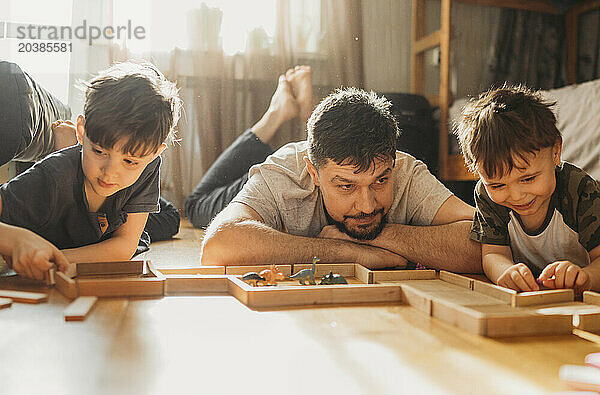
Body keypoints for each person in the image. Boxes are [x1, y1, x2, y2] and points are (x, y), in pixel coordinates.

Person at [200, 87, 481, 271]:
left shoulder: (405, 169)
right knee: (197, 203)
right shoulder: (283, 172)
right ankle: (276, 113)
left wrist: (378, 237)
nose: (368, 206)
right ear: (314, 173)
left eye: (380, 181)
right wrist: (347, 252)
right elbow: (218, 246)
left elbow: (487, 239)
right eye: (346, 186)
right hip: (223, 201)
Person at [0, 61, 182, 280]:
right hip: (84, 220)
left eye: (130, 161)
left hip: (112, 226)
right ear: (81, 129)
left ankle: (84, 152)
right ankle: (75, 150)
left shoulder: (149, 165)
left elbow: (124, 247)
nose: (109, 173)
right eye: (99, 151)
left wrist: (59, 258)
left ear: (155, 153)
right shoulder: (52, 178)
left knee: (171, 217)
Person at [455, 85, 600, 293]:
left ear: (555, 152)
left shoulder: (578, 188)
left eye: (528, 178)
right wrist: (506, 272)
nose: (516, 196)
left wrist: (584, 278)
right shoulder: (486, 196)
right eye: (497, 185)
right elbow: (493, 254)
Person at [185, 65, 313, 228]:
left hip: (290, 177)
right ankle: (309, 119)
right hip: (299, 172)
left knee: (195, 205)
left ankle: (283, 114)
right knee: (197, 204)